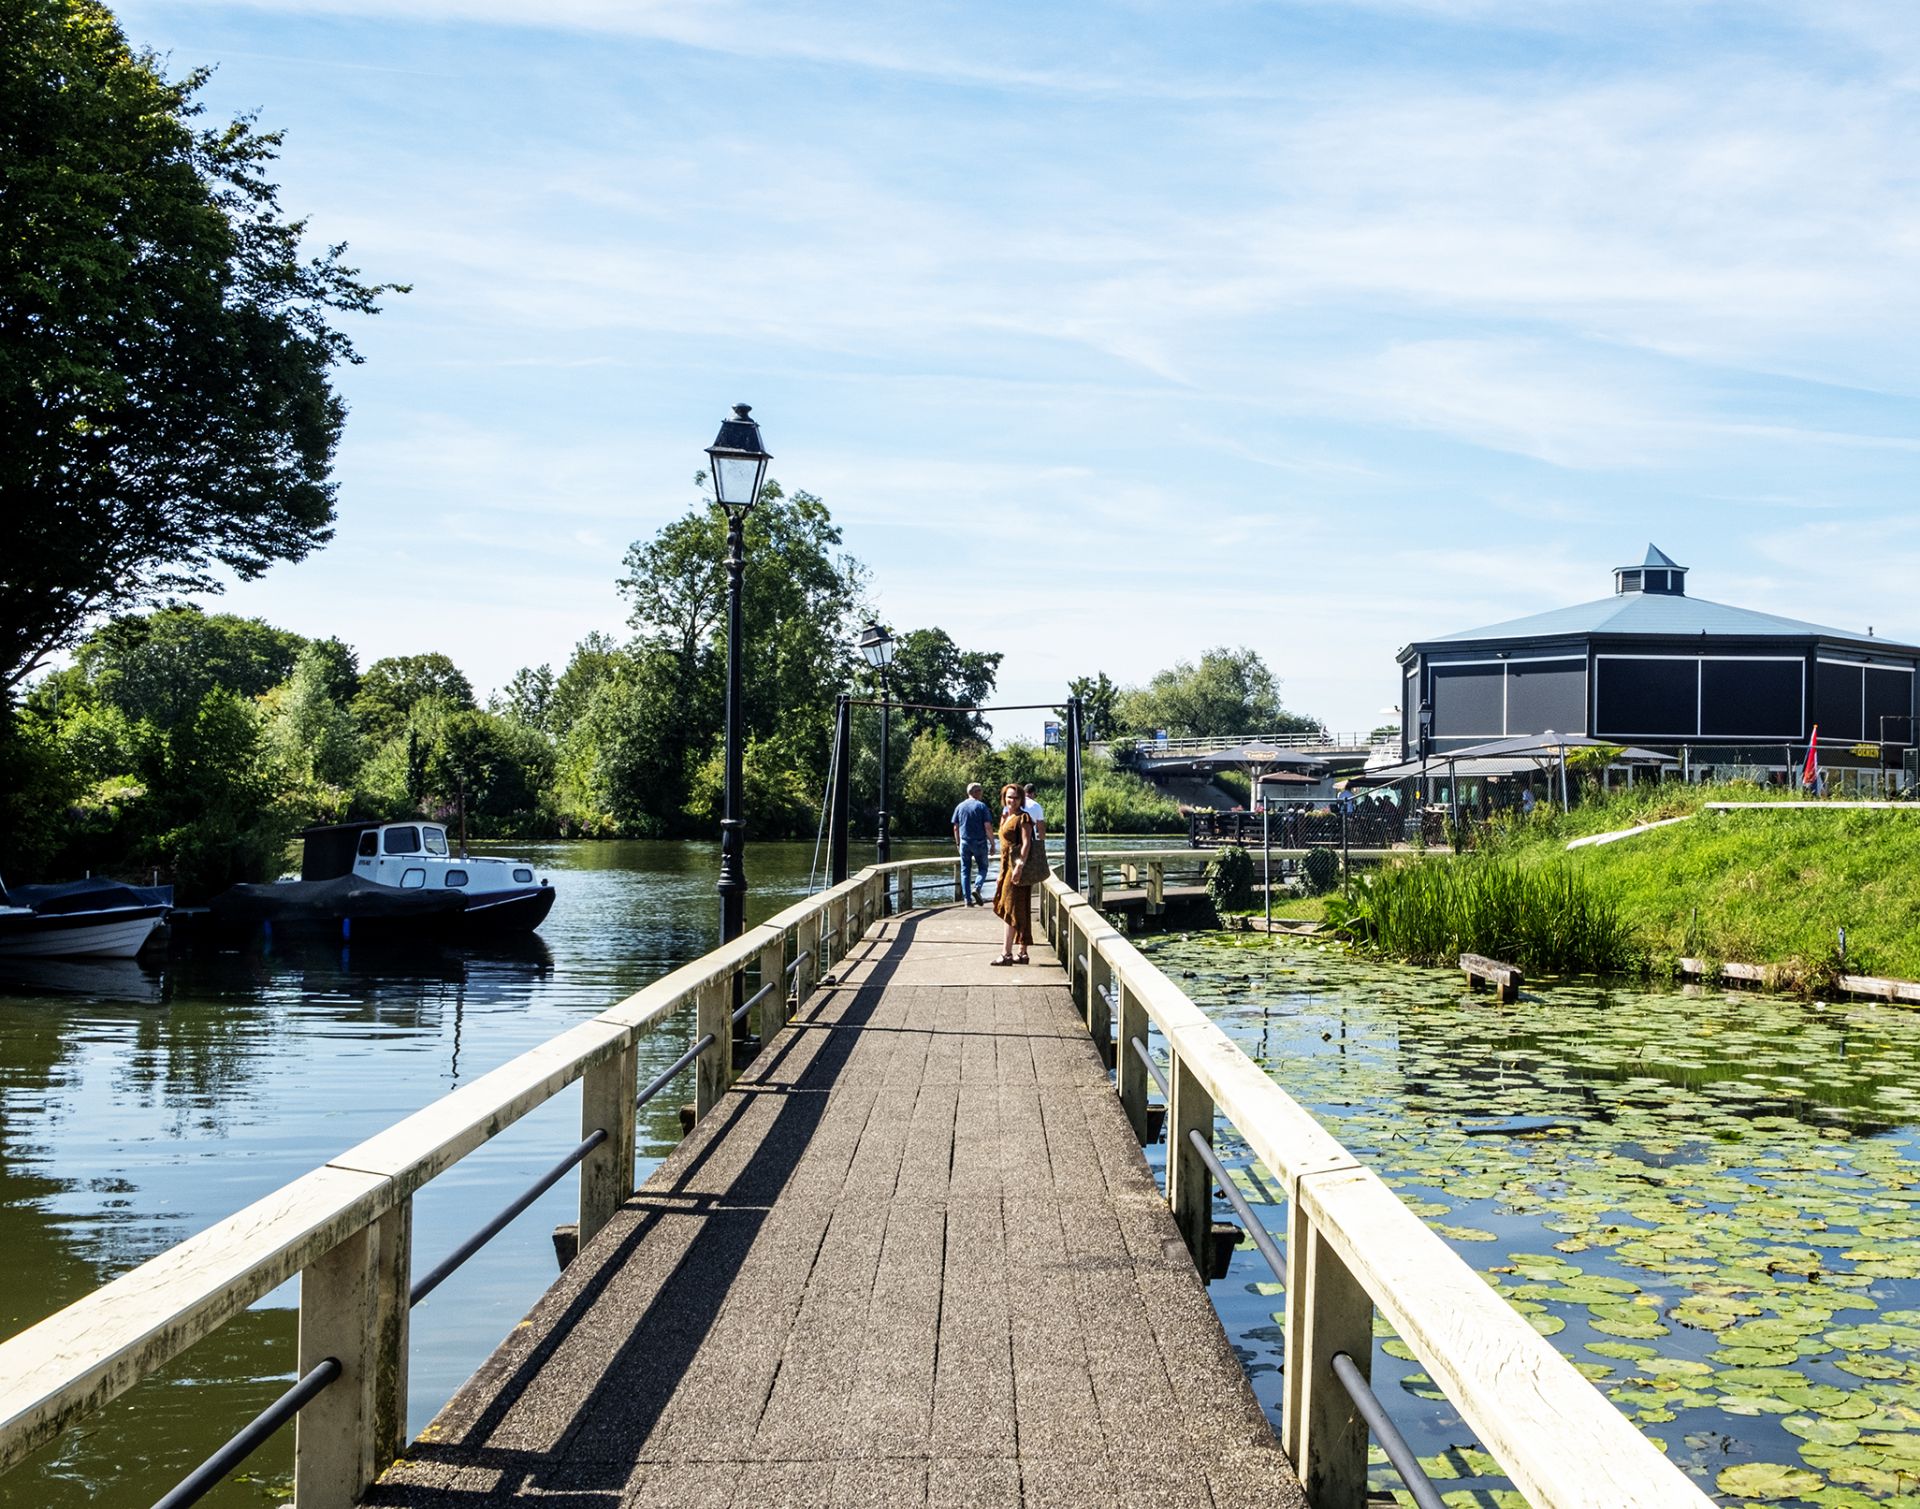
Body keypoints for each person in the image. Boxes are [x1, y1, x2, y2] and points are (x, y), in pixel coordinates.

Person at [991, 783, 1036, 965]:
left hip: (1016, 868)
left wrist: (1019, 866)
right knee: (1019, 908)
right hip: (1006, 867)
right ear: (1004, 798)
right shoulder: (1007, 817)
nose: (1012, 801)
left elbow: (1026, 844)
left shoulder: (1023, 818)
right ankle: (1022, 952)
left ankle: (1006, 954)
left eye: (1016, 798)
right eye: (1009, 797)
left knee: (1010, 908)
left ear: (1021, 799)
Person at [950, 782, 993, 906]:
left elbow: (955, 828)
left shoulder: (959, 807)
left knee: (965, 871)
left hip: (964, 842)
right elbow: (987, 826)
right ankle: (977, 887)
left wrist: (958, 843)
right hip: (979, 841)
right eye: (980, 791)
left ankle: (967, 900)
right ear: (976, 792)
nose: (981, 793)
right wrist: (992, 843)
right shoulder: (981, 806)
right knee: (983, 868)